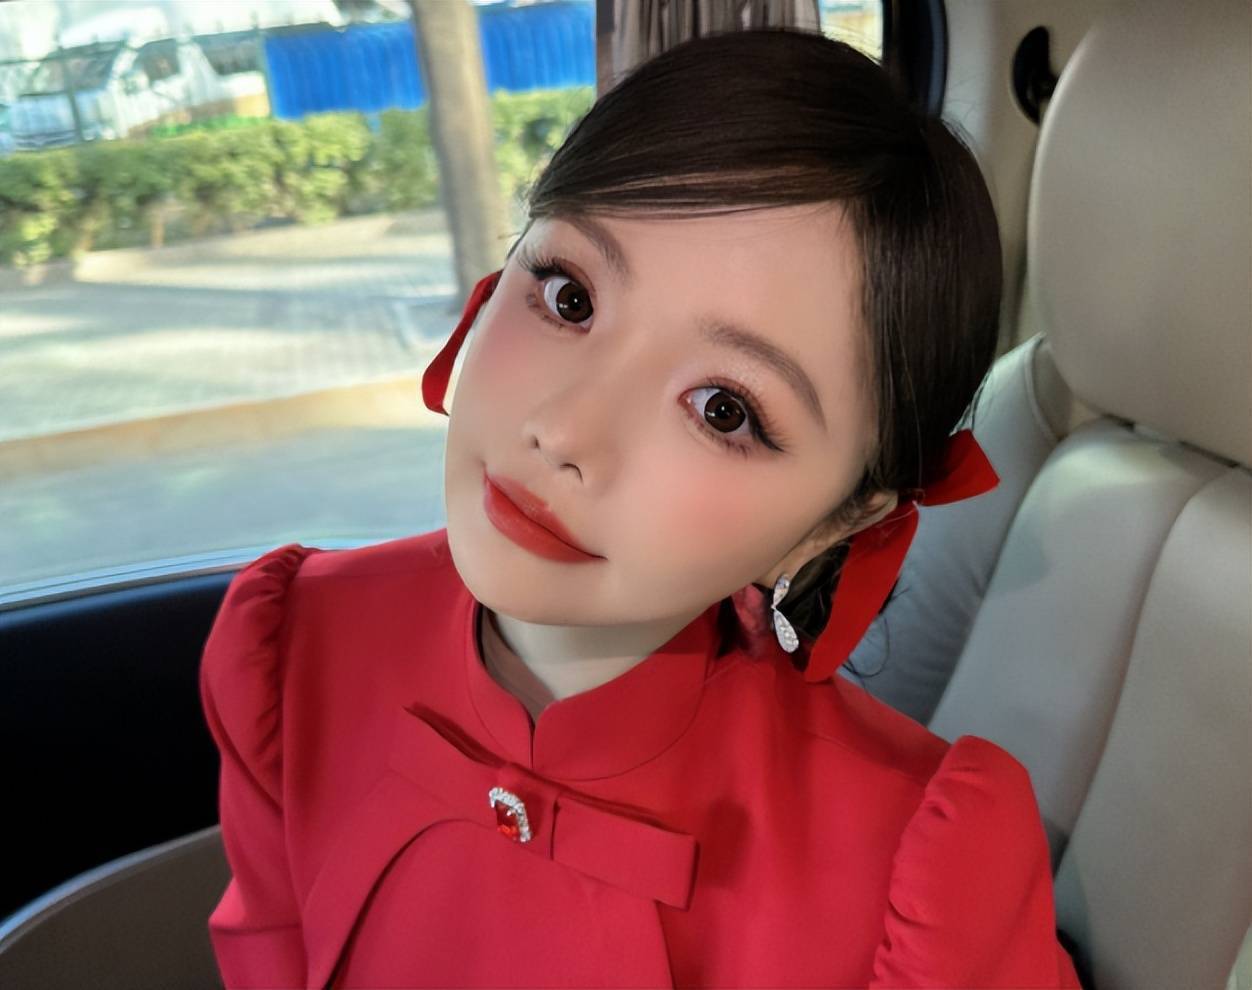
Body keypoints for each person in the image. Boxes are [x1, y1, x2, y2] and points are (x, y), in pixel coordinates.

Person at [199, 28, 1083, 989]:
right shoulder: (294, 646)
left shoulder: (923, 871)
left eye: (724, 409)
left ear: (840, 522)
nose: (563, 429)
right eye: (569, 297)